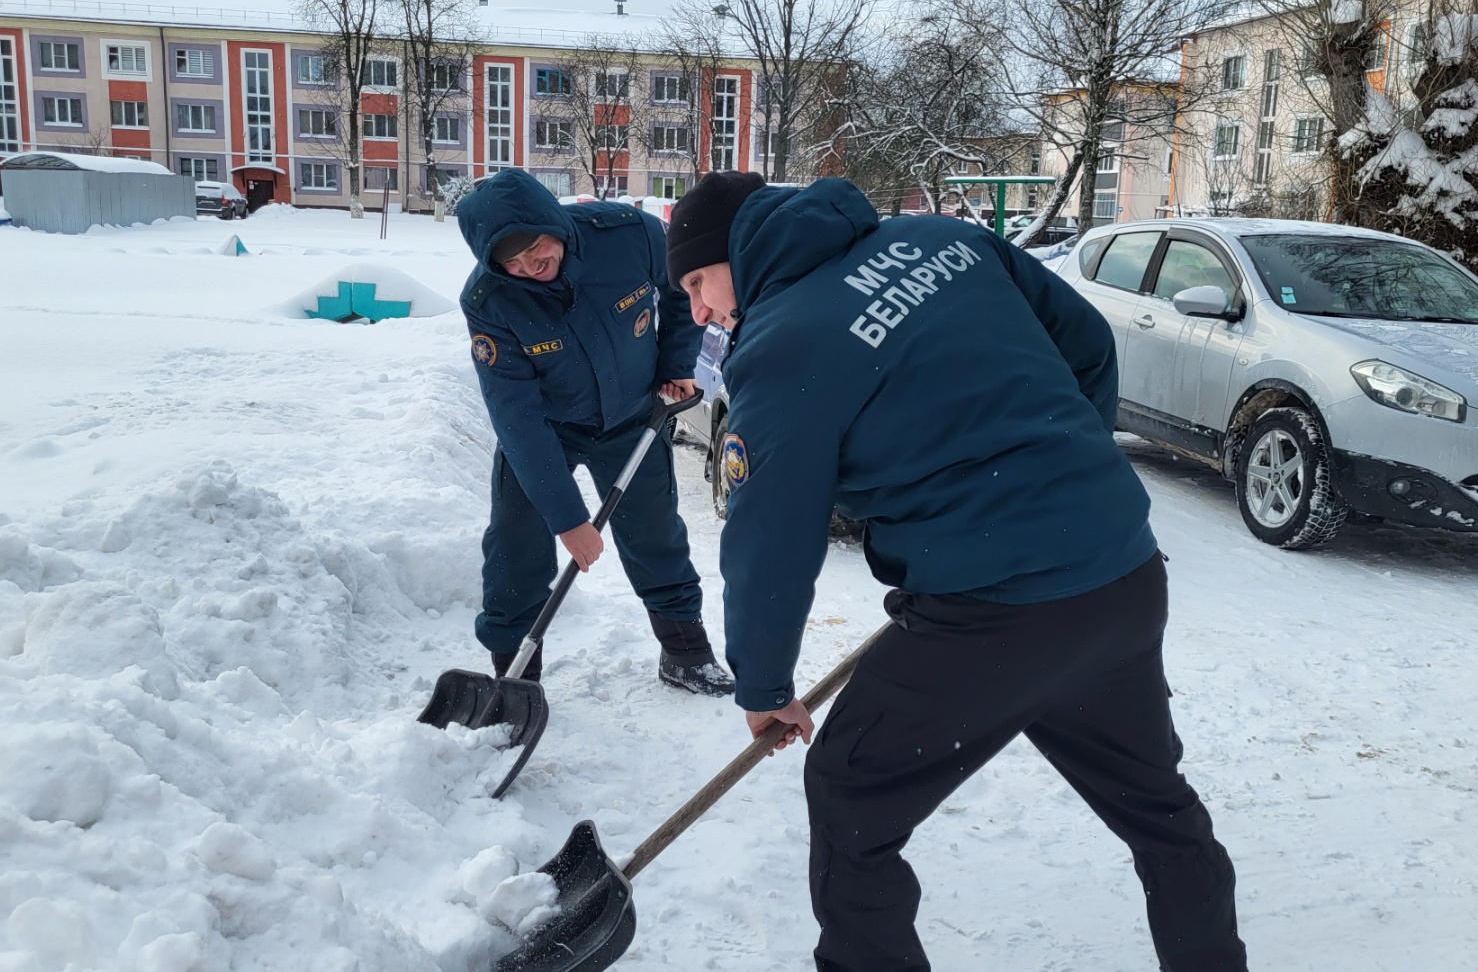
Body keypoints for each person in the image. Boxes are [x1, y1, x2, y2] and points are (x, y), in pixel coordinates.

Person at [665, 171, 1247, 971]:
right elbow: (1087, 344)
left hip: (994, 617)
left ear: (736, 247)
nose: (697, 309)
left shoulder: (781, 343)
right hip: (1119, 574)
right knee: (1157, 807)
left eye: (698, 280)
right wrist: (1062, 476)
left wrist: (763, 684)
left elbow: (772, 531)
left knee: (849, 796)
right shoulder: (943, 239)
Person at [453, 169, 733, 695]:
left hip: (631, 416)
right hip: (546, 431)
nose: (529, 268)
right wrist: (568, 520)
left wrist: (675, 363)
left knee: (656, 535)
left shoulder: (628, 235)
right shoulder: (490, 302)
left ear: (553, 222)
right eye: (511, 262)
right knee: (516, 549)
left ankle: (686, 654)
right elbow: (514, 413)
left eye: (537, 249)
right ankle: (513, 677)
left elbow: (681, 292)